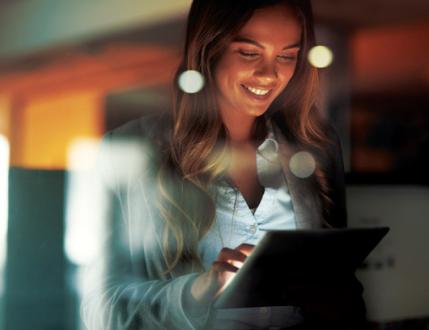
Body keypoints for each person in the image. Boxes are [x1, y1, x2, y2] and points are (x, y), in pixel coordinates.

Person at [81, 0, 367, 329]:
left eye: (287, 56)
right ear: (208, 49)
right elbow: (98, 311)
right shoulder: (130, 149)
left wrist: (344, 307)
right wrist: (197, 291)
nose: (270, 74)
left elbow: (342, 287)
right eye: (248, 53)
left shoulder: (318, 147)